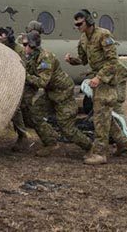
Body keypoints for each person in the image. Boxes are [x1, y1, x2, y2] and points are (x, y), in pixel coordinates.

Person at [65, 9, 127, 165]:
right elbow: (83, 60)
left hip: (109, 79)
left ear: (88, 21)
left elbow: (113, 61)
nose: (77, 26)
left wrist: (99, 77)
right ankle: (124, 144)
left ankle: (100, 153)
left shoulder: (103, 35)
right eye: (75, 24)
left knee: (100, 115)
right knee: (105, 115)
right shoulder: (83, 39)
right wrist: (72, 60)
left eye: (80, 23)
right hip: (99, 79)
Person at [23, 31, 93, 161]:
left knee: (66, 128)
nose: (24, 47)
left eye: (26, 44)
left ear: (33, 45)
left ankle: (90, 147)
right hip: (51, 92)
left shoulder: (45, 58)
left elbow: (43, 82)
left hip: (63, 93)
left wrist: (25, 75)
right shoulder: (32, 57)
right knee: (34, 114)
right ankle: (51, 142)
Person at [0, 26, 31, 150]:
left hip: (18, 82)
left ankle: (22, 136)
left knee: (15, 109)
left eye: (3, 35)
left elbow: (24, 69)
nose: (0, 37)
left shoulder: (19, 50)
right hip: (6, 81)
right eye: (0, 35)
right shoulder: (1, 47)